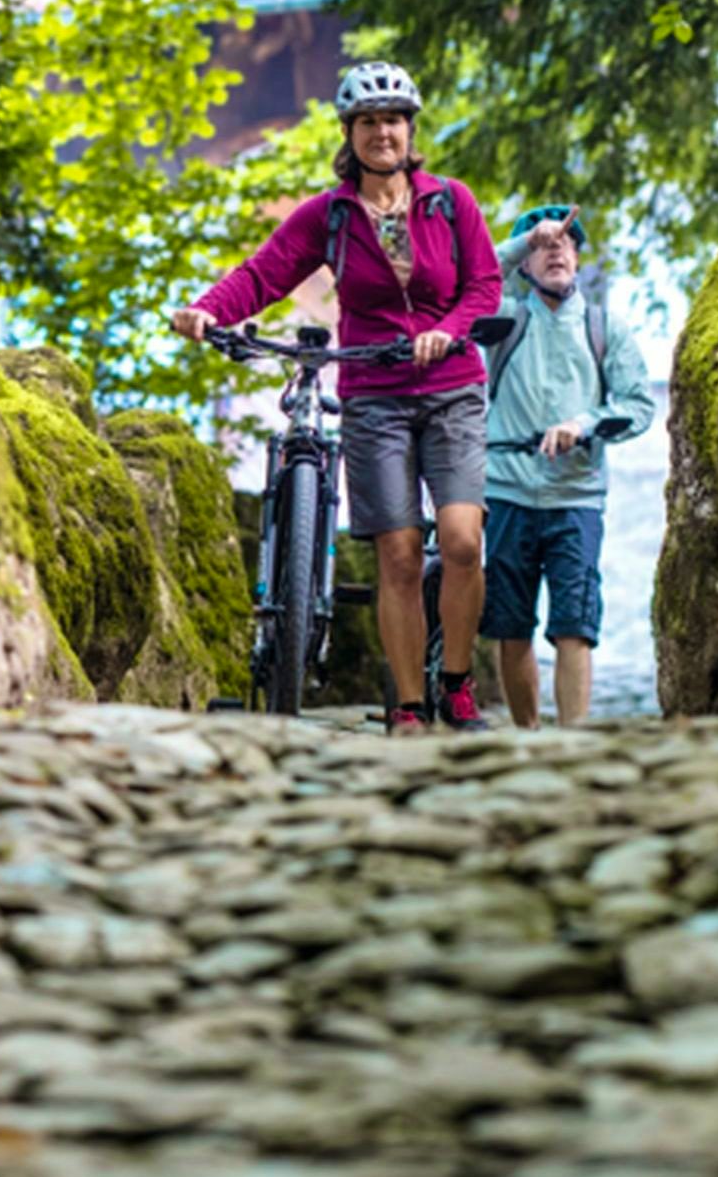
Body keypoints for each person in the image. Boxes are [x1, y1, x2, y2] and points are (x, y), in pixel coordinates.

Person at [171, 61, 503, 735]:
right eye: (369, 122)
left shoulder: (450, 201)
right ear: (349, 135)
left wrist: (446, 330)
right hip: (374, 393)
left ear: (411, 132)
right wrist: (206, 310)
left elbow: (484, 285)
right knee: (400, 553)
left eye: (394, 121)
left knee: (463, 542)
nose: (384, 133)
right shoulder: (327, 216)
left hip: (451, 389)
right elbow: (262, 274)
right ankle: (409, 706)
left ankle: (457, 682)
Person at [479, 204, 657, 728]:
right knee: (510, 625)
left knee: (575, 623)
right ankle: (527, 734)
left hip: (576, 496)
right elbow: (470, 282)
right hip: (507, 490)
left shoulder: (606, 328)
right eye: (540, 246)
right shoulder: (503, 321)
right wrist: (519, 243)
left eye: (564, 243)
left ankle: (569, 739)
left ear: (578, 258)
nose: (554, 250)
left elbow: (639, 405)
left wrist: (584, 423)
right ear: (525, 264)